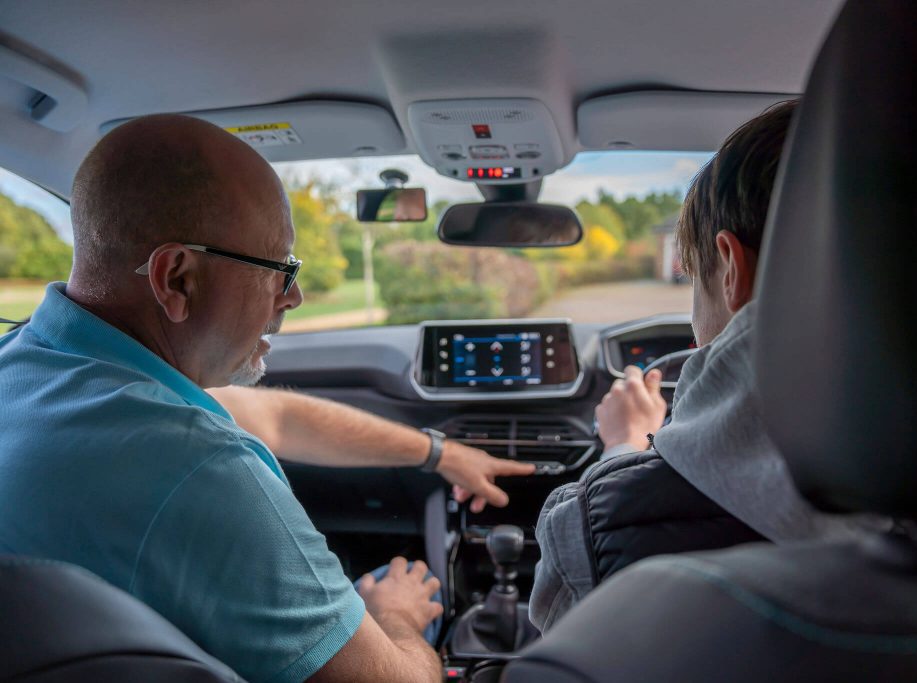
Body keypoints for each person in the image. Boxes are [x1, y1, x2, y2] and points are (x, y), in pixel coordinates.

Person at [0, 113, 531, 683]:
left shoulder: (29, 366)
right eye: (281, 268)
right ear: (177, 277)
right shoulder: (200, 468)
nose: (295, 297)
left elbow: (274, 416)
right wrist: (396, 616)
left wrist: (440, 453)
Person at [529, 100, 863, 633]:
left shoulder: (597, 523)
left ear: (731, 268)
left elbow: (571, 649)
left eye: (693, 281)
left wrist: (623, 449)